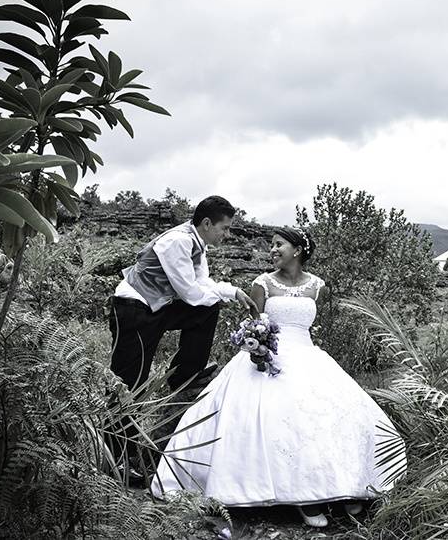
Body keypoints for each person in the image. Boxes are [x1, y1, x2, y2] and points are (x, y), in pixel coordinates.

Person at [151, 227, 407, 528]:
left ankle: (350, 486)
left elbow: (312, 325)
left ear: (297, 250)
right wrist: (257, 346)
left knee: (333, 415)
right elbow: (253, 323)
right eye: (271, 245)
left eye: (278, 245)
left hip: (308, 355)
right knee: (277, 419)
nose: (272, 250)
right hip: (268, 356)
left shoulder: (317, 286)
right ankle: (305, 496)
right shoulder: (262, 283)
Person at [108, 196, 257, 476]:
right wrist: (219, 295)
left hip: (155, 307)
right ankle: (118, 458)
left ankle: (185, 373)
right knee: (130, 383)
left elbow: (203, 285)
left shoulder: (197, 245)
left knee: (209, 307)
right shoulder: (178, 241)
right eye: (224, 229)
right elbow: (190, 293)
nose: (227, 235)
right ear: (206, 223)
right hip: (133, 309)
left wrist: (233, 292)